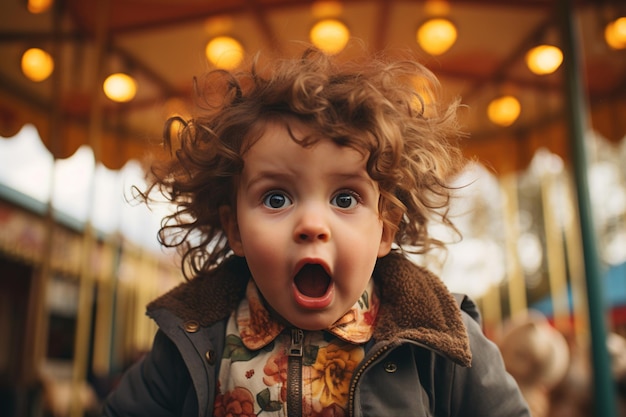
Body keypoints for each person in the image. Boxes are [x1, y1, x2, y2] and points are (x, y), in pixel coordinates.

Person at [102, 44, 530, 417]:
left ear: (384, 229)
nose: (310, 225)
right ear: (235, 229)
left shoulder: (439, 338)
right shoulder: (194, 335)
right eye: (276, 199)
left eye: (345, 199)